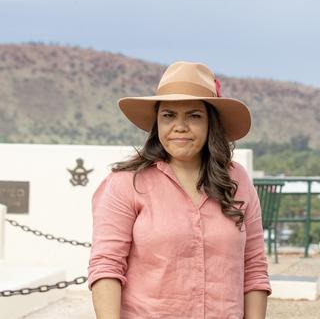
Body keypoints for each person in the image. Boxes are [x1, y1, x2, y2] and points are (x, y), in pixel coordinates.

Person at [88, 61, 270, 318]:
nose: (180, 126)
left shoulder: (237, 179)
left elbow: (254, 269)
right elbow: (106, 267)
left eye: (194, 116)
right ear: (157, 123)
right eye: (168, 115)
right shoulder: (126, 183)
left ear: (210, 123)